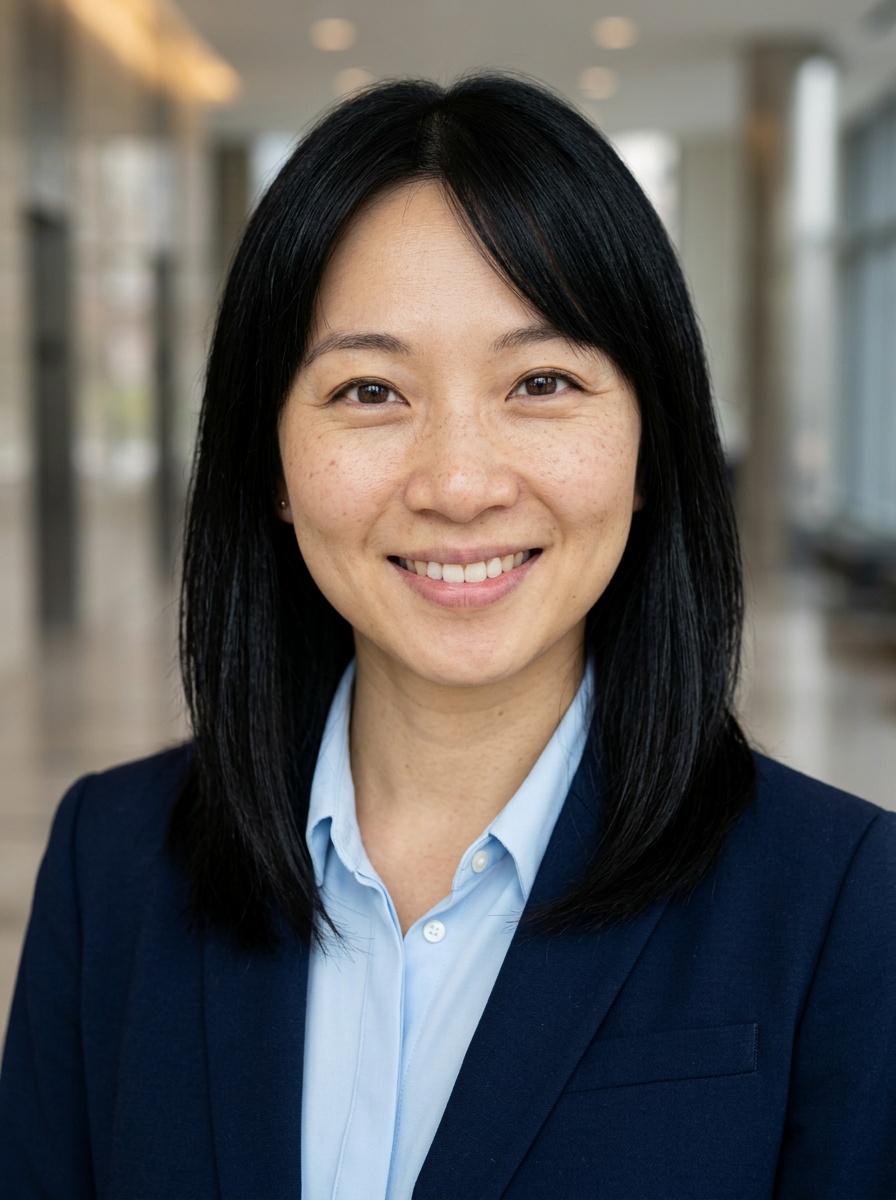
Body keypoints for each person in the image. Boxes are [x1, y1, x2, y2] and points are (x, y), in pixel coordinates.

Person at [1, 73, 894, 1200]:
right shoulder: (111, 864)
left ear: (649, 446)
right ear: (268, 462)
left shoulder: (840, 903)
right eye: (369, 391)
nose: (458, 484)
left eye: (540, 381)